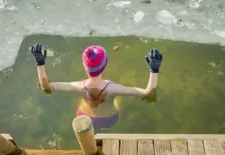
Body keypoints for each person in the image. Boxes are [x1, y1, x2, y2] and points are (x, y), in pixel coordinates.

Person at [30, 43, 163, 132]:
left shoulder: (77, 87)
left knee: (82, 101)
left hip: (84, 117)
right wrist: (154, 70)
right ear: (105, 65)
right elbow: (148, 94)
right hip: (109, 120)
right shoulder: (113, 89)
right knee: (117, 101)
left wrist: (40, 63)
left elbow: (46, 87)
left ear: (85, 66)